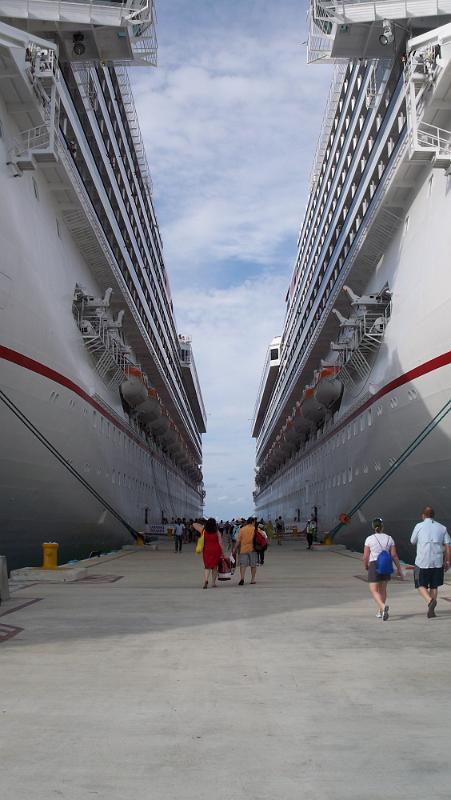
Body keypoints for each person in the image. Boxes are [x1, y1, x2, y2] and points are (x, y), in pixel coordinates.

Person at [410, 506, 451, 618]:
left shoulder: (419, 526)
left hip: (422, 562)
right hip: (437, 562)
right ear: (433, 516)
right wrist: (447, 561)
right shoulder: (442, 528)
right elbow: (448, 545)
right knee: (434, 586)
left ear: (423, 515)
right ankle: (431, 610)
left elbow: (412, 541)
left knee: (419, 584)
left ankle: (430, 601)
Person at [363, 517, 403, 620]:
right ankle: (380, 612)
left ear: (373, 527)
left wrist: (366, 565)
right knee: (383, 589)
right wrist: (398, 568)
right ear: (382, 527)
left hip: (374, 564)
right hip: (386, 565)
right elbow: (394, 555)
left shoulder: (369, 539)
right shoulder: (389, 538)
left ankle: (382, 607)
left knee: (373, 590)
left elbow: (366, 556)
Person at [202, 517, 224, 589]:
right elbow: (220, 543)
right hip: (216, 550)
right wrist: (223, 552)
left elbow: (202, 541)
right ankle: (213, 583)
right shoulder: (217, 532)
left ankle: (205, 580)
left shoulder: (204, 531)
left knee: (207, 567)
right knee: (214, 567)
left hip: (207, 550)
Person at [235, 517, 258, 585]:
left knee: (243, 565)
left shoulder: (242, 529)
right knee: (253, 565)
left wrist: (234, 548)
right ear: (253, 522)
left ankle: (242, 578)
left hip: (243, 549)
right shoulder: (255, 529)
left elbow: (238, 540)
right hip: (253, 549)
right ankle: (252, 579)